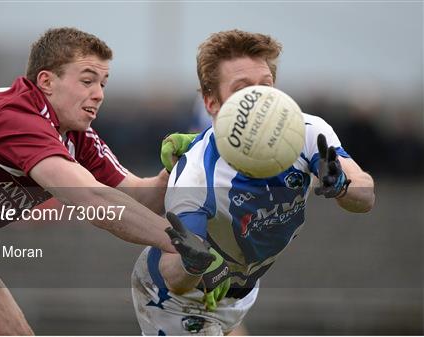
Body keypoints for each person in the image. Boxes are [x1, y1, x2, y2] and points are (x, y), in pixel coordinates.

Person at [0, 27, 212, 335]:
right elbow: (94, 201)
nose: (98, 94)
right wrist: (179, 244)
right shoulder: (17, 119)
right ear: (46, 82)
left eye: (104, 83)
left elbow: (139, 198)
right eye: (87, 81)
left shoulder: (75, 134)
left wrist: (186, 166)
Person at [131, 29, 376, 335]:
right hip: (177, 303)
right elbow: (174, 278)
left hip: (240, 294)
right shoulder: (196, 175)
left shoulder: (309, 132)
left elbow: (365, 197)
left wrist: (342, 184)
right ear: (211, 103)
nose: (259, 100)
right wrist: (193, 261)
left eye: (265, 87)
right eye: (243, 90)